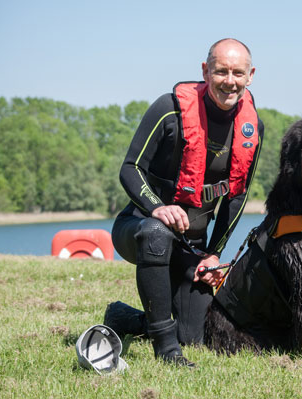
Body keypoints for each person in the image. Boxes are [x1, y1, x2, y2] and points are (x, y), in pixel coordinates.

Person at [105, 38, 264, 367]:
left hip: (190, 245)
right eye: (221, 71)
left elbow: (236, 198)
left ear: (250, 76)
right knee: (156, 233)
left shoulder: (252, 128)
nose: (229, 81)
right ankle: (166, 351)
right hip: (139, 227)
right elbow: (130, 169)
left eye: (238, 73)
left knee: (193, 334)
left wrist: (213, 252)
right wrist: (157, 208)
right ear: (206, 71)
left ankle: (123, 318)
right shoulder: (169, 109)